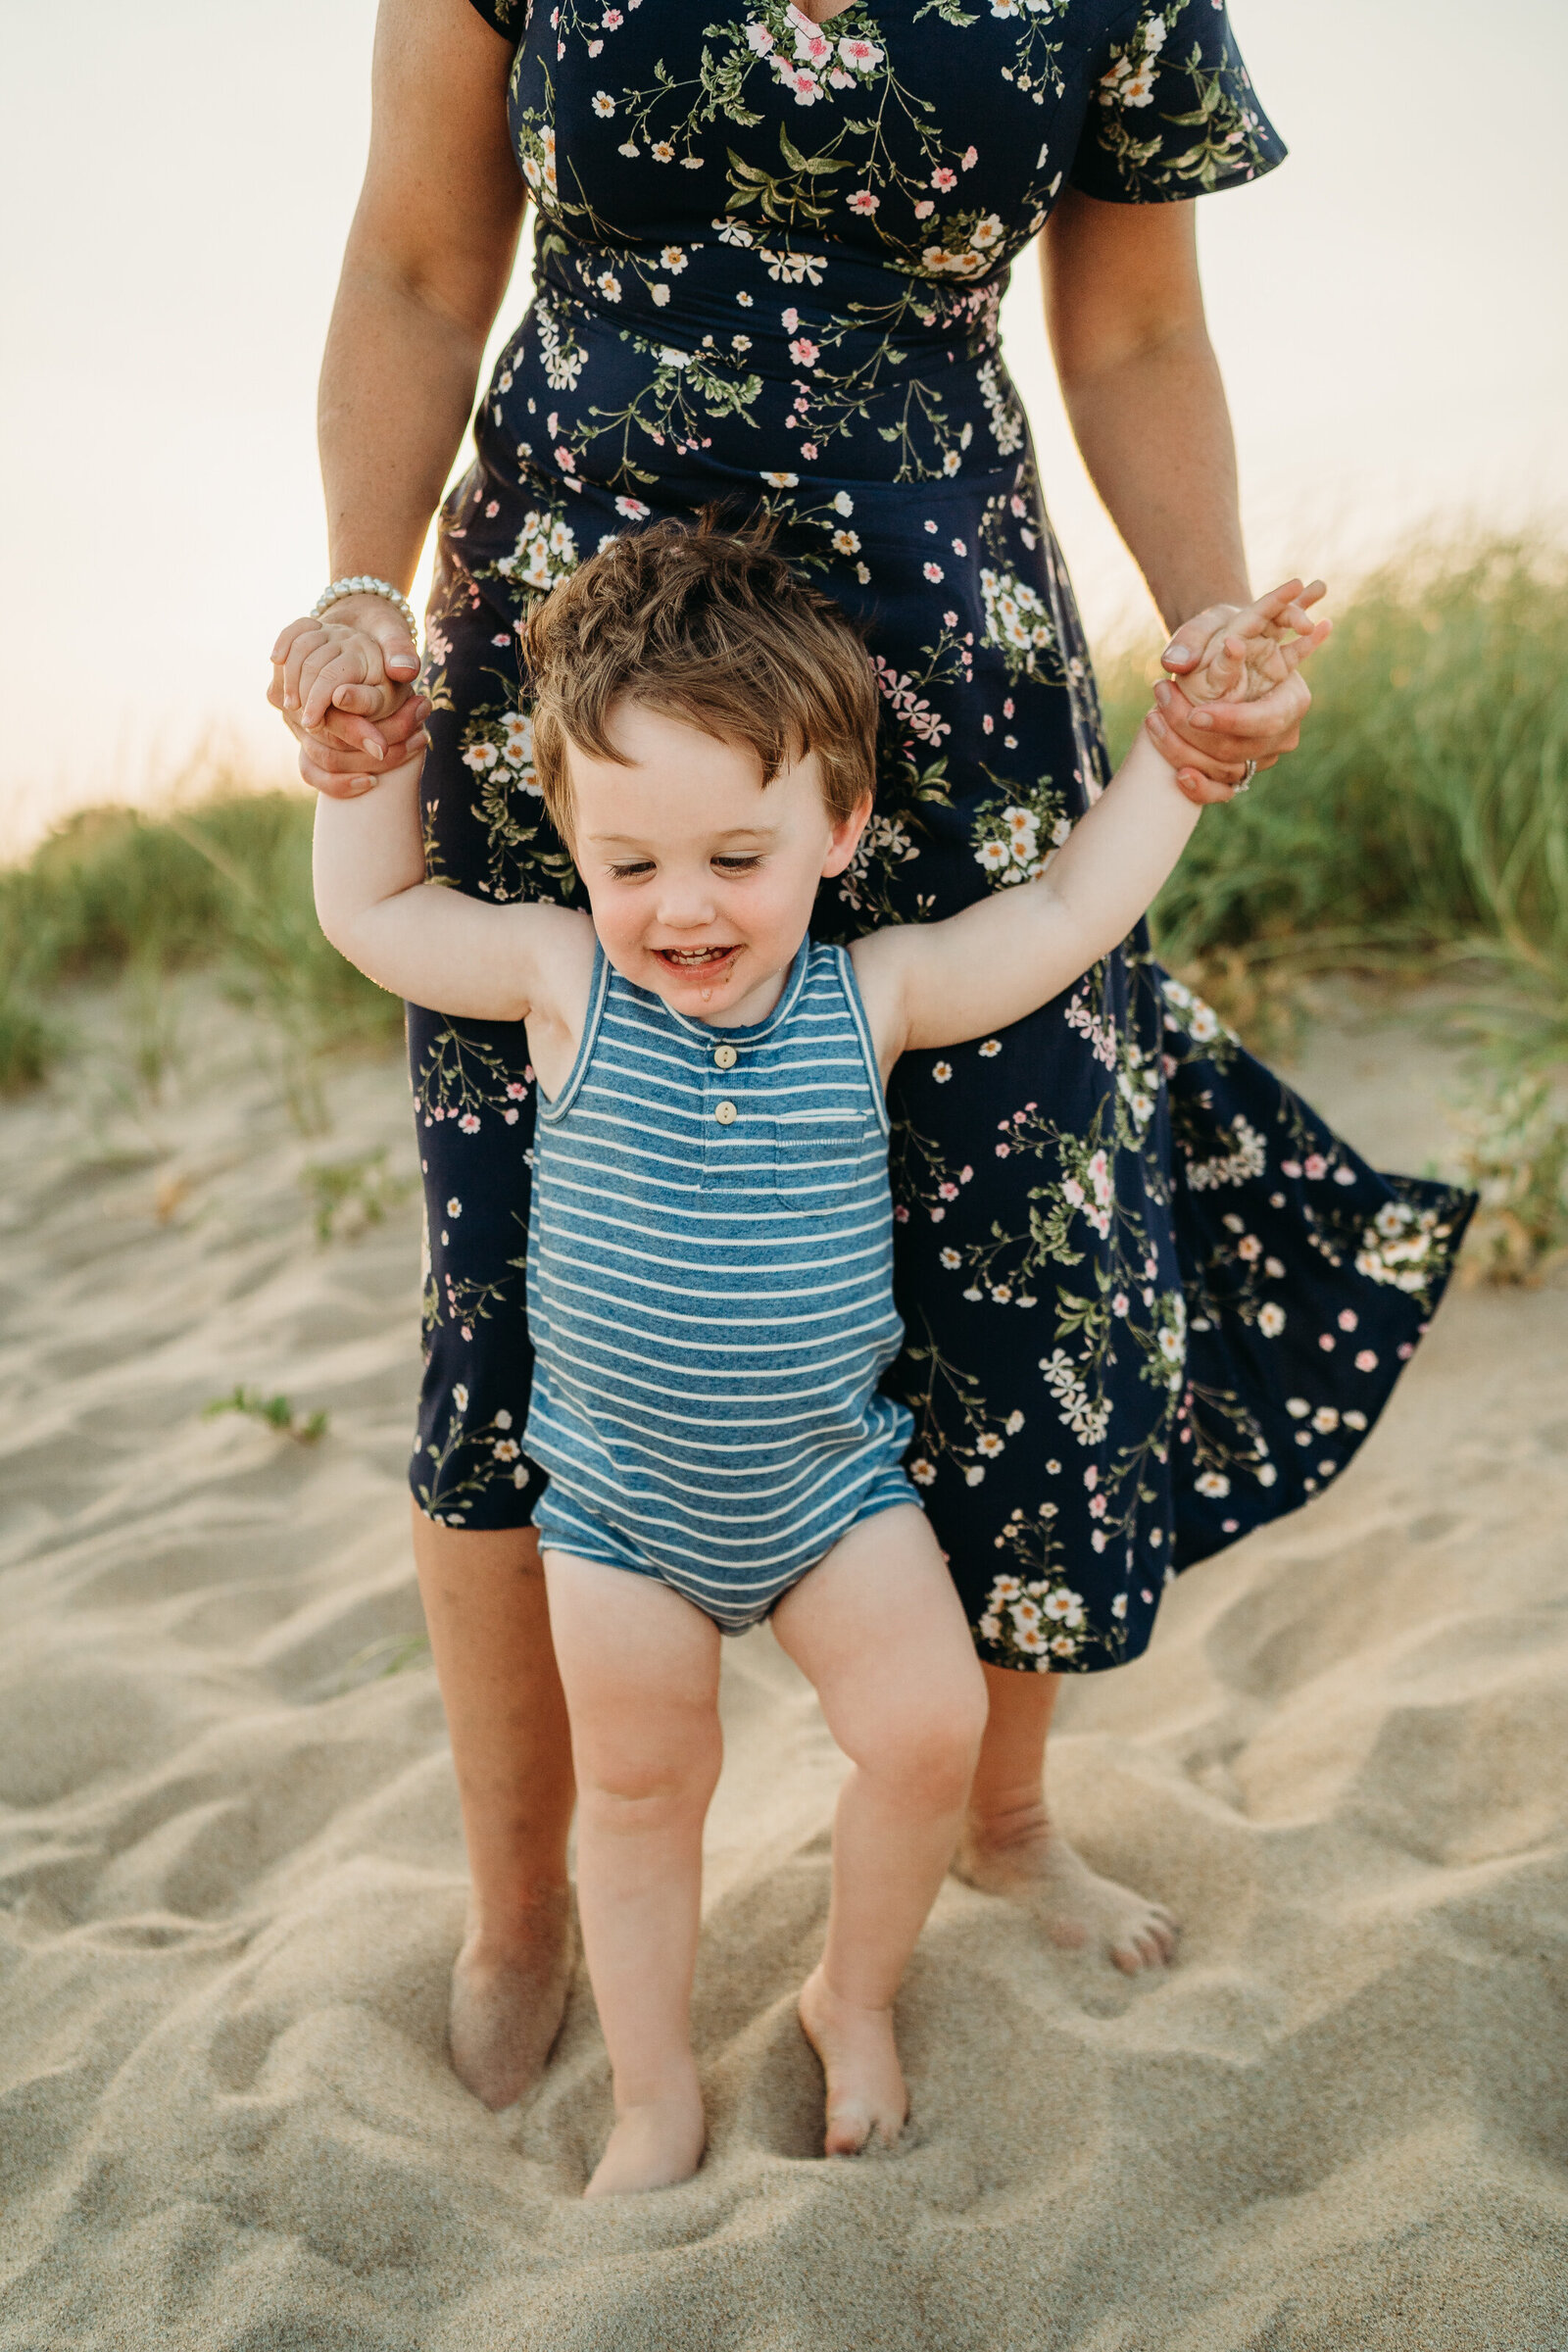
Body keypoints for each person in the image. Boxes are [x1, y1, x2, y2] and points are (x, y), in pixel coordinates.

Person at [270, 0, 1474, 2112]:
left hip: (945, 651)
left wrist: (1200, 627)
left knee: (1014, 1258)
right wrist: (361, 594)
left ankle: (995, 1822)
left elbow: (1125, 334)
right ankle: (521, 1900)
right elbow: (412, 264)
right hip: (585, 670)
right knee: (516, 1287)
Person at [313, 523, 1331, 2193]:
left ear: (839, 828)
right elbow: (373, 911)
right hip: (619, 1513)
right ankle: (651, 2091)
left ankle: (847, 1997)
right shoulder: (563, 982)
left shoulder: (872, 997)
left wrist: (1173, 750)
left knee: (926, 1736)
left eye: (735, 856)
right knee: (640, 1799)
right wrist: (358, 768)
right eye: (630, 862)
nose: (684, 909)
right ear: (570, 839)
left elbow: (1074, 910)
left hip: (828, 1491)